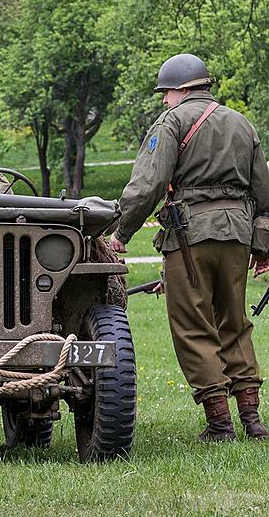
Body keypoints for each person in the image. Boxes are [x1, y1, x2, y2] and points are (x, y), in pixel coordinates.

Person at [109, 53, 269, 441]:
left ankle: (219, 423)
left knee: (192, 326)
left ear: (181, 90)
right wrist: (263, 247)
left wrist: (120, 234)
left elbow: (147, 185)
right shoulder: (241, 122)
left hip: (189, 234)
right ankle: (252, 419)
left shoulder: (172, 121)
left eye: (166, 93)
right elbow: (264, 193)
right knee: (234, 322)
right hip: (237, 235)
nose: (164, 100)